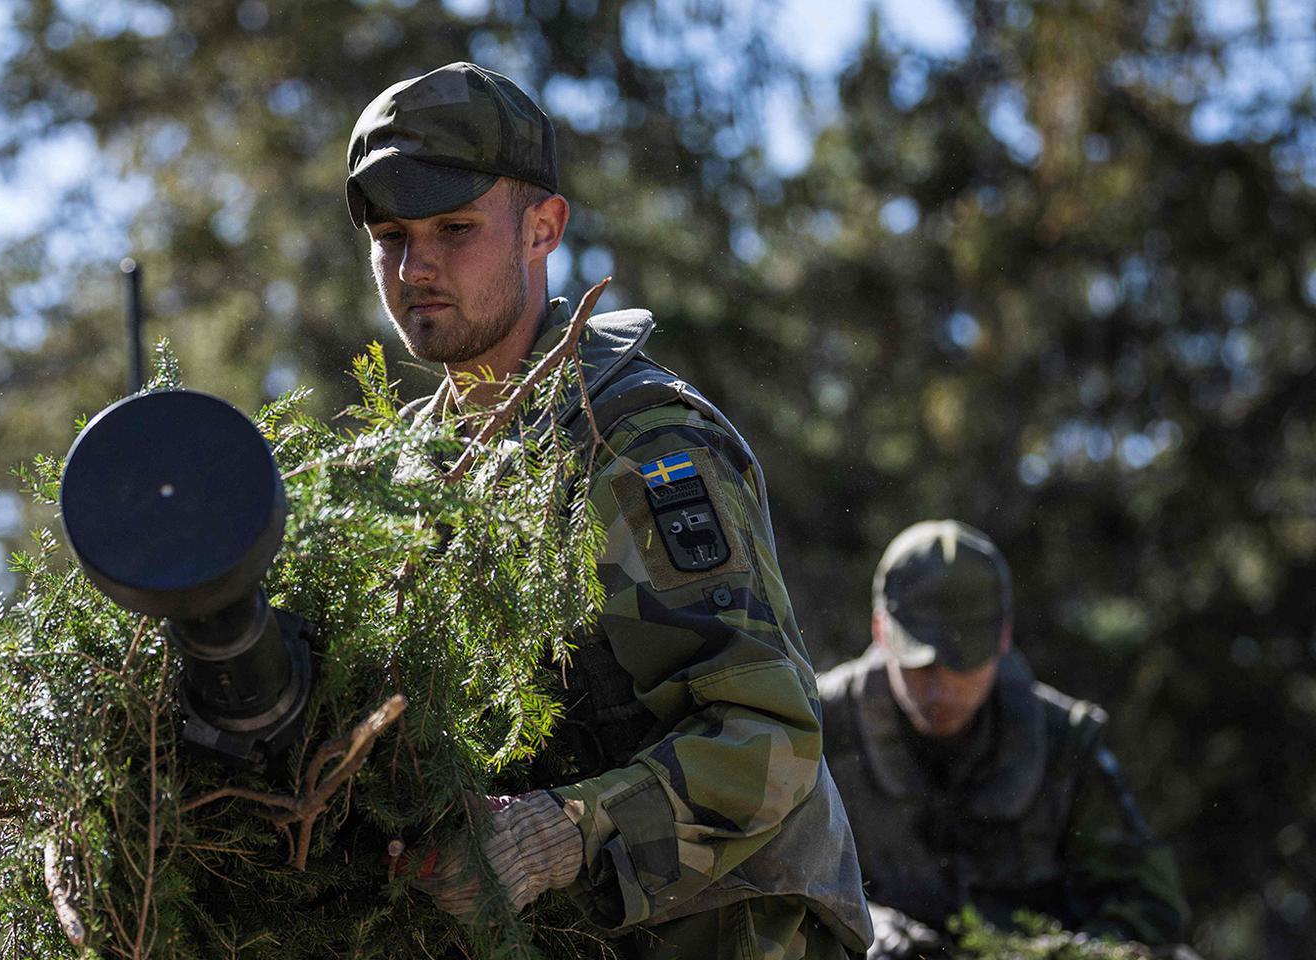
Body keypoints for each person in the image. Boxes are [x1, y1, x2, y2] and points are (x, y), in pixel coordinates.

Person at [348, 62, 872, 959]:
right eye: (390, 235)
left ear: (542, 229)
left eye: (455, 228)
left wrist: (562, 833)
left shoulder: (633, 443)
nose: (415, 265)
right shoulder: (403, 475)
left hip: (723, 934)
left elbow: (768, 737)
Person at [818, 520, 1189, 957]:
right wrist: (864, 927)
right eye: (919, 665)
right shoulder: (818, 728)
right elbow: (760, 882)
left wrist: (1061, 953)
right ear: (880, 631)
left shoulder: (1065, 744)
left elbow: (1150, 907)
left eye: (964, 663)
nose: (941, 689)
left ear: (1003, 638)